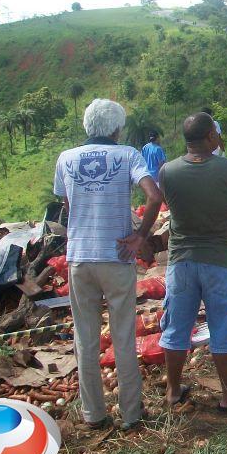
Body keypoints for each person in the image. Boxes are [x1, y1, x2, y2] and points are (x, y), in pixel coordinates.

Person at [53, 98, 162, 431]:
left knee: (85, 340)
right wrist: (140, 236)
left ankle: (94, 415)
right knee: (123, 337)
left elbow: (69, 203)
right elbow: (154, 196)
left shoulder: (66, 159)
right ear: (117, 128)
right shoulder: (127, 154)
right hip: (117, 256)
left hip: (80, 259)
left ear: (88, 125)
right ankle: (131, 415)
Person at [158, 113, 227, 412]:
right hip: (219, 260)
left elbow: (171, 206)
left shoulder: (168, 171)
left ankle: (173, 390)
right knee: (223, 326)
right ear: (211, 136)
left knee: (176, 327)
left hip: (181, 260)